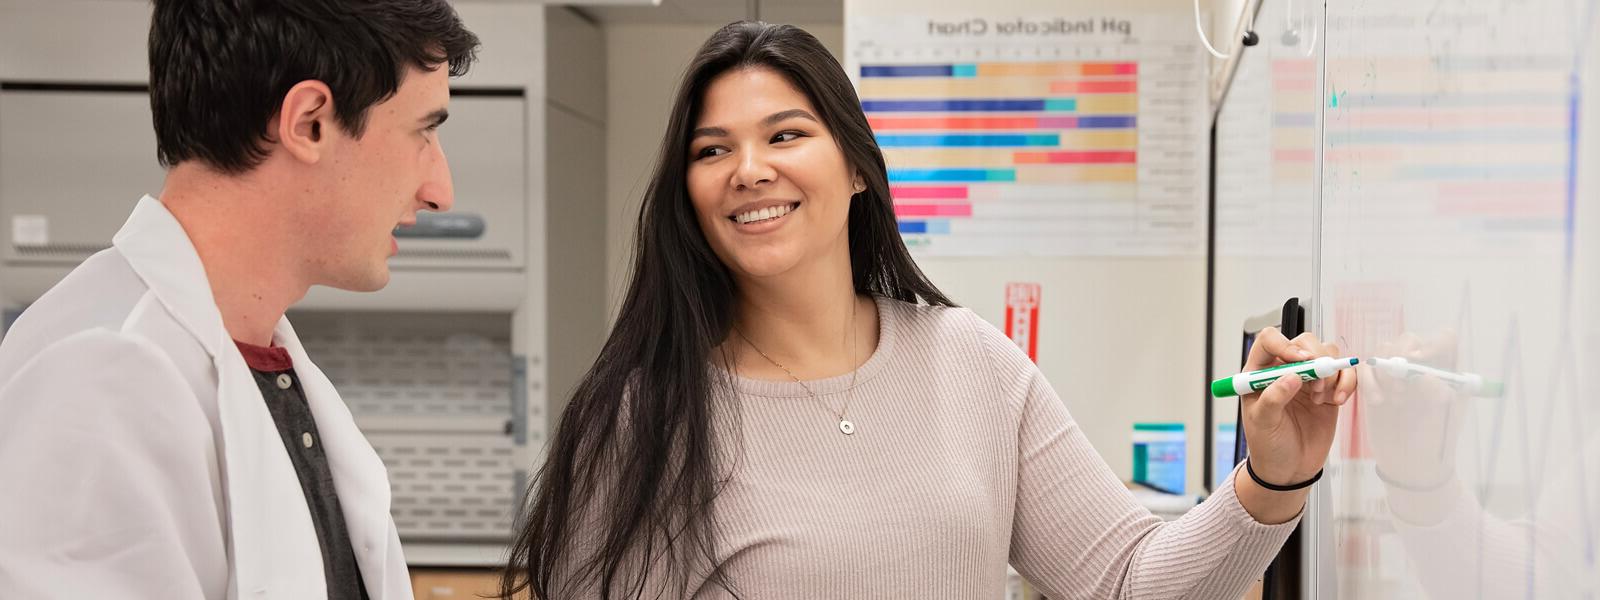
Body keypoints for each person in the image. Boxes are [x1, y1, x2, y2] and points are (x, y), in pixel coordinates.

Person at [502, 21, 1356, 599]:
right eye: (712, 149)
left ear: (859, 168)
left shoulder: (968, 361)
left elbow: (1130, 579)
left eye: (786, 134)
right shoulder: (644, 419)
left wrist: (1274, 476)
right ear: (688, 193)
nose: (749, 169)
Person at [0, 1, 477, 597]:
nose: (441, 192)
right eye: (422, 132)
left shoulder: (259, 359)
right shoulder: (100, 378)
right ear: (309, 123)